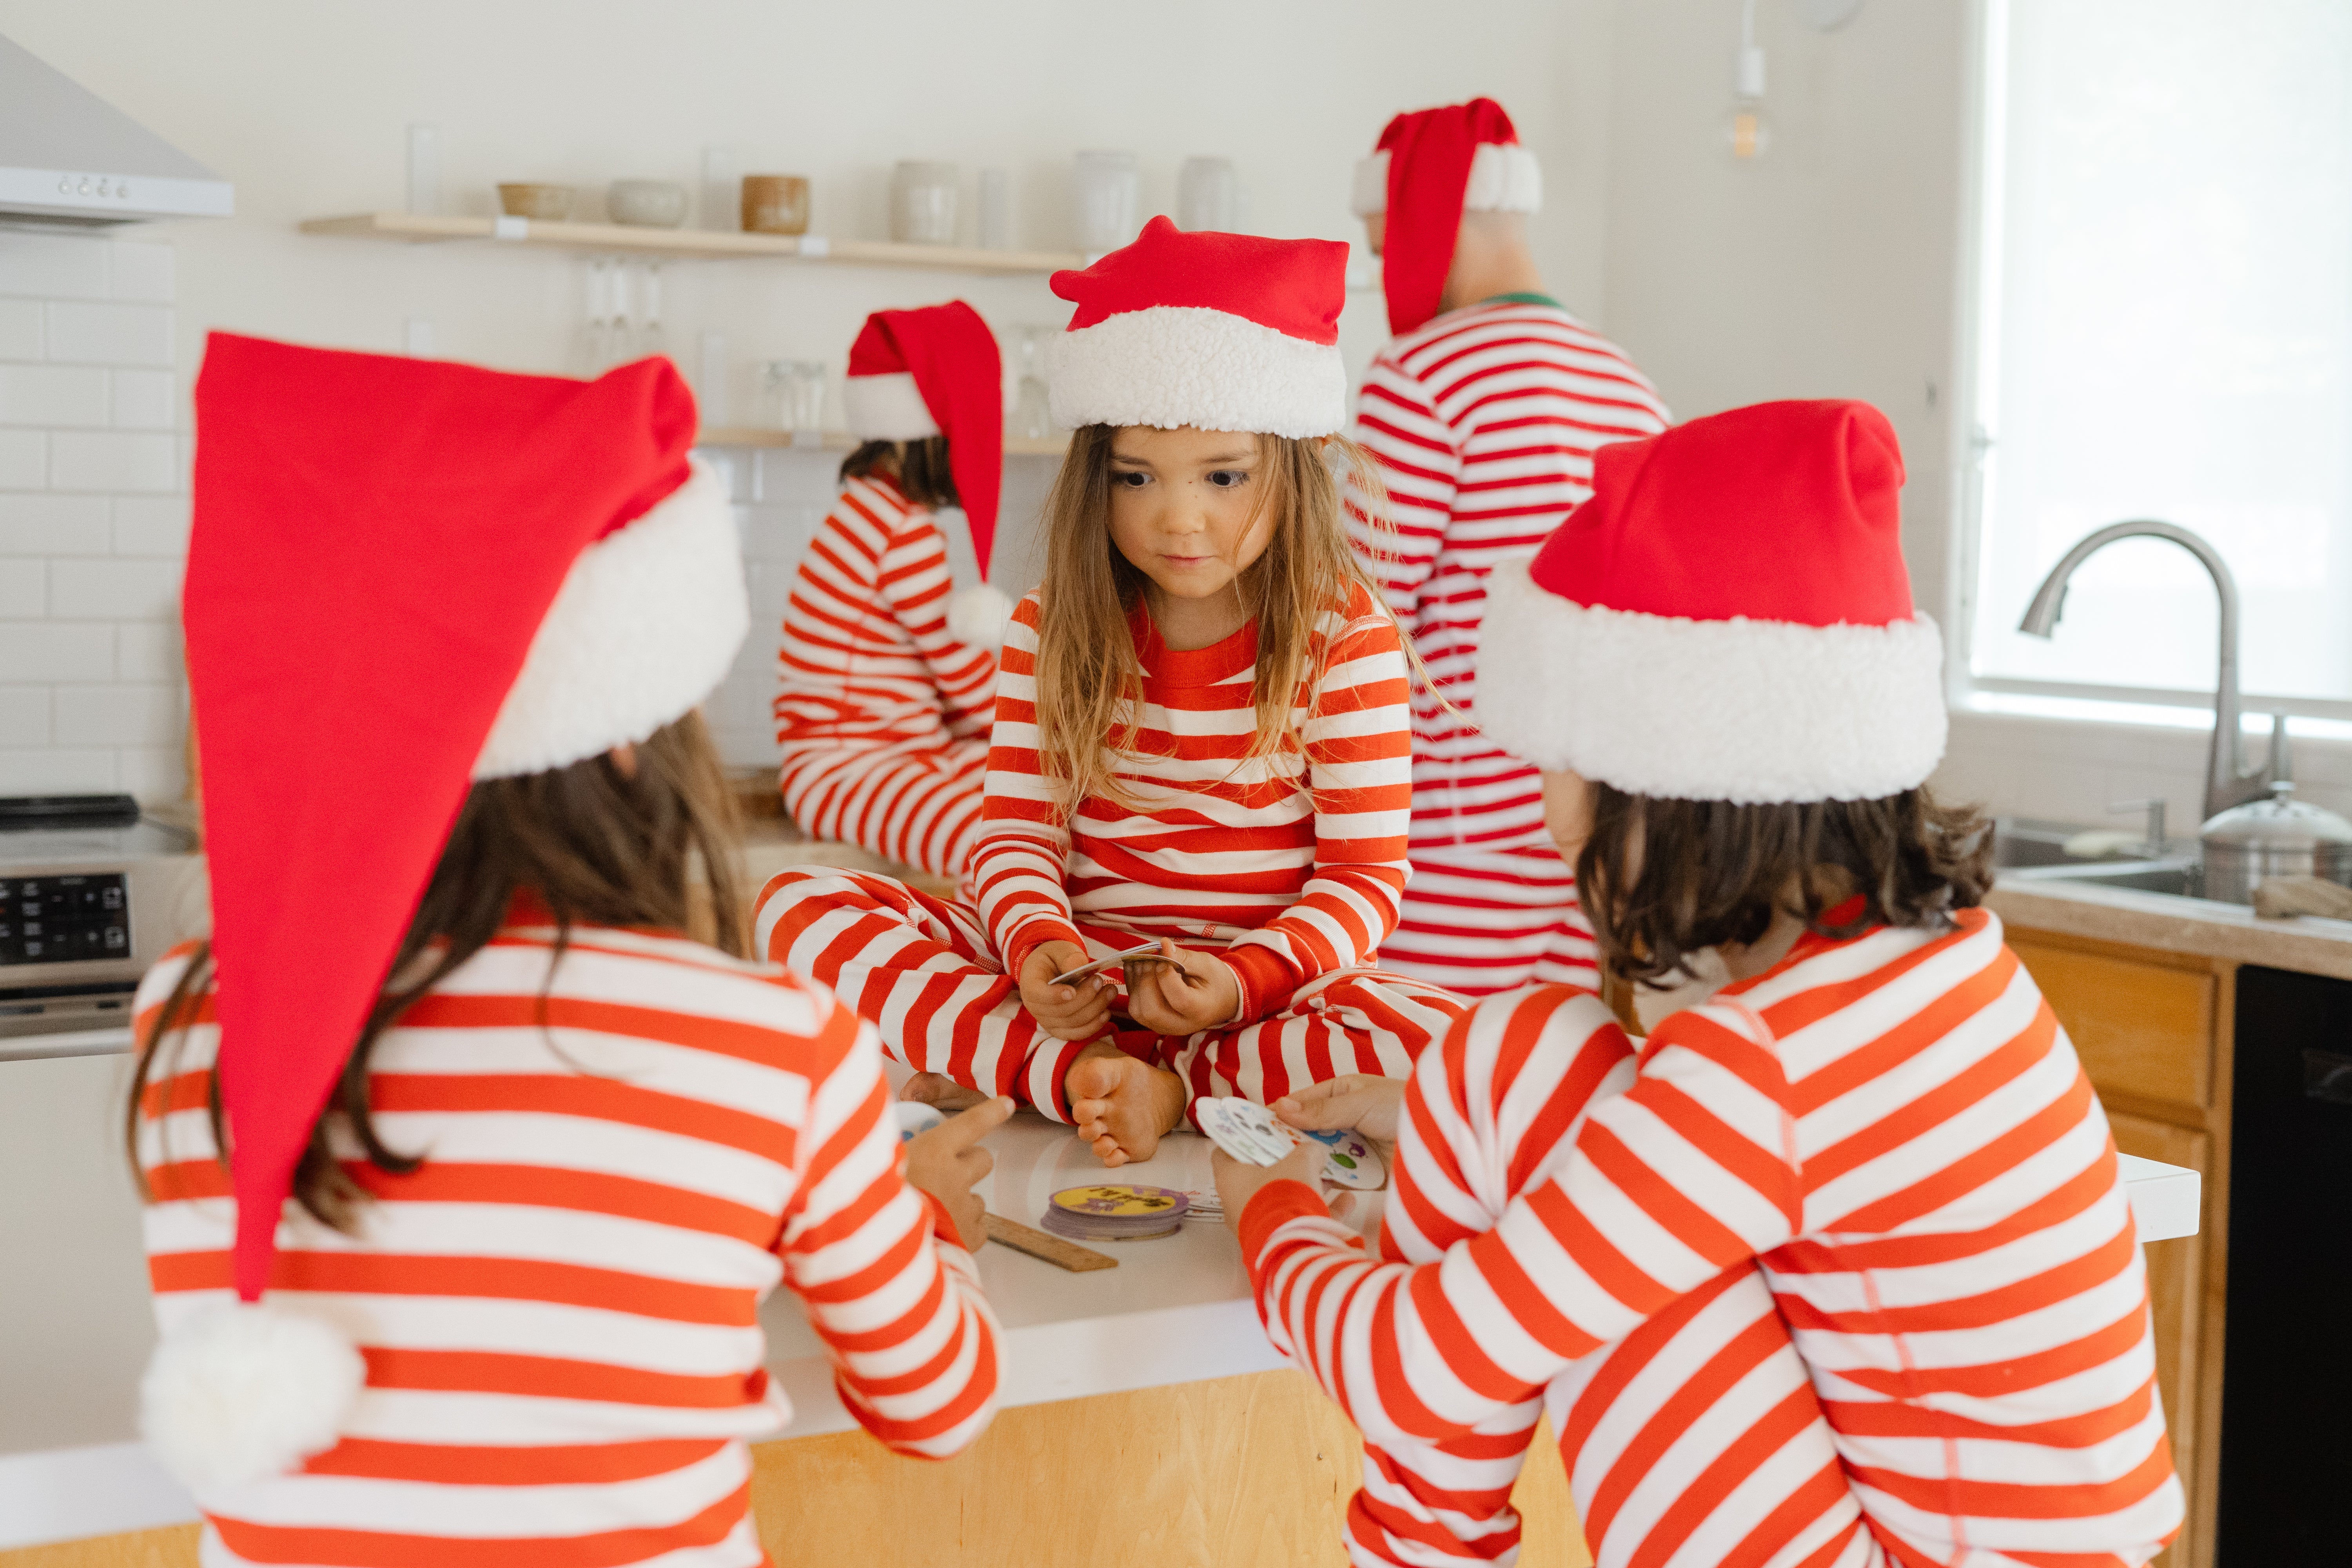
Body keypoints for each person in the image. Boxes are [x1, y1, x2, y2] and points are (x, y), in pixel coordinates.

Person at [1215, 402, 2185, 1566]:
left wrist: (1263, 1207)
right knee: (1517, 1049)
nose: (1545, 810)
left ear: (1669, 777)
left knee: (1512, 1073)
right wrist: (1435, 1110)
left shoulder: (1764, 1065)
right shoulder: (1937, 971)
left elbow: (1418, 1372)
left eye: (1561, 761)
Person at [129, 336, 1006, 1568]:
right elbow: (939, 1406)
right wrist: (934, 1226)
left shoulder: (192, 1013)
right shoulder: (776, 1044)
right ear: (636, 737)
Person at [756, 219, 1466, 1167]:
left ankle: (1127, 1078)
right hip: (1080, 973)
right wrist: (1035, 939)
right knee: (793, 908)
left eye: (1224, 475)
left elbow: (1362, 882)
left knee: (1457, 1043)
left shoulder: (1349, 641)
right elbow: (1014, 835)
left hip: (1259, 996)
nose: (1178, 516)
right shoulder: (1051, 624)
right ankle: (1083, 1069)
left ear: (1293, 468)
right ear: (1098, 479)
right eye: (1136, 477)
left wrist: (1246, 977)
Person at [1348, 98, 1670, 996]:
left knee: (1418, 1088)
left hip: (1451, 837)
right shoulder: (1630, 387)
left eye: (1385, 249)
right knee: (1547, 1089)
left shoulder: (1421, 378)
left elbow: (1358, 617)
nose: (1386, 274)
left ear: (1427, 226)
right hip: (1592, 832)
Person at [775, 301, 1009, 880]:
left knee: (1032, 798)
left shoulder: (869, 508)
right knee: (998, 837)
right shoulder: (900, 530)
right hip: (844, 772)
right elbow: (956, 669)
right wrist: (1026, 728)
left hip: (883, 754)